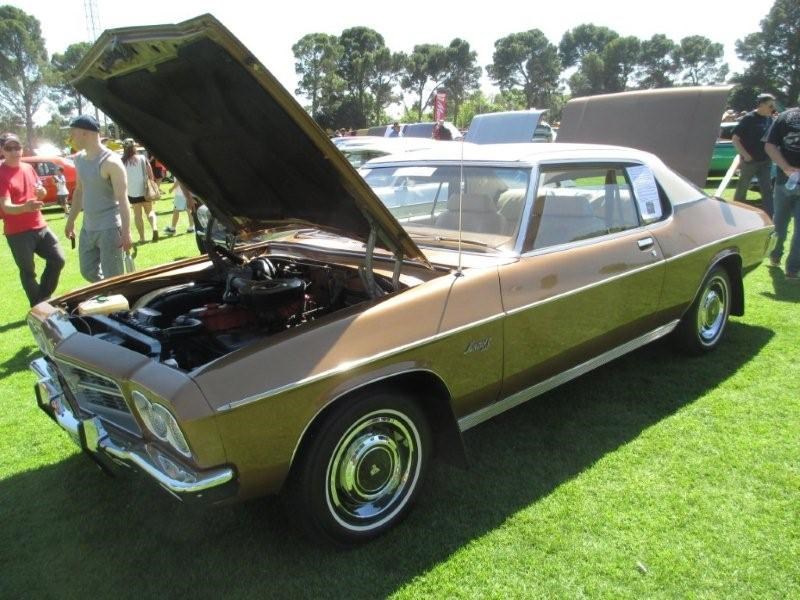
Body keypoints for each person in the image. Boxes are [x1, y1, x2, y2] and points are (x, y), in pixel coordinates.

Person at [64, 114, 132, 282]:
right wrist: (71, 220)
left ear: (86, 133)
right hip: (88, 227)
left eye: (73, 133)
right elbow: (79, 191)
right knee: (87, 271)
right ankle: (109, 295)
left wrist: (126, 232)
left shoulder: (111, 162)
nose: (71, 137)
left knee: (114, 278)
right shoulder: (79, 159)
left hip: (109, 228)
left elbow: (123, 200)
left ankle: (117, 302)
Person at [0, 133, 65, 306]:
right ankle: (39, 305)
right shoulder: (1, 173)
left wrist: (41, 192)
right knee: (28, 272)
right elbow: (5, 206)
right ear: (2, 151)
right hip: (17, 233)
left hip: (39, 225)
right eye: (9, 148)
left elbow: (39, 188)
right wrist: (24, 207)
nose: (15, 152)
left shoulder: (28, 168)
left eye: (17, 147)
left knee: (58, 259)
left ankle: (42, 299)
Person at [765, 105, 800, 280]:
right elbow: (770, 145)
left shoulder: (784, 116)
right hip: (783, 181)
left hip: (784, 179)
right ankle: (775, 255)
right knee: (779, 224)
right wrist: (785, 168)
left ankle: (792, 268)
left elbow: (770, 146)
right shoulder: (785, 117)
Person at [732, 93, 776, 216]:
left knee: (767, 190)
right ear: (761, 104)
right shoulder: (749, 118)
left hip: (765, 161)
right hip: (750, 162)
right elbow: (735, 139)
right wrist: (746, 156)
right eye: (770, 105)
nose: (773, 109)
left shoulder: (769, 119)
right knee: (742, 189)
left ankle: (770, 218)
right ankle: (738, 214)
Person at [122, 138, 158, 243]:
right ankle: (154, 227)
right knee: (150, 212)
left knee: (137, 215)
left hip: (131, 192)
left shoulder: (122, 161)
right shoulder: (142, 158)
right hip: (145, 190)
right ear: (134, 147)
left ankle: (142, 238)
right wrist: (152, 185)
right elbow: (150, 174)